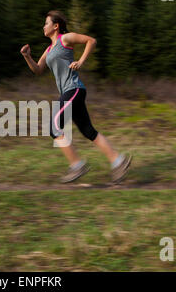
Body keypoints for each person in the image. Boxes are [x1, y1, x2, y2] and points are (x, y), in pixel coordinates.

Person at [20, 10, 132, 184]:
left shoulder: (66, 38)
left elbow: (91, 41)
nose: (44, 26)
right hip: (70, 92)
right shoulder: (49, 49)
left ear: (56, 26)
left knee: (54, 128)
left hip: (74, 90)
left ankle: (77, 165)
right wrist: (27, 56)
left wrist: (81, 61)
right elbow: (38, 69)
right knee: (89, 131)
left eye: (46, 23)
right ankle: (118, 160)